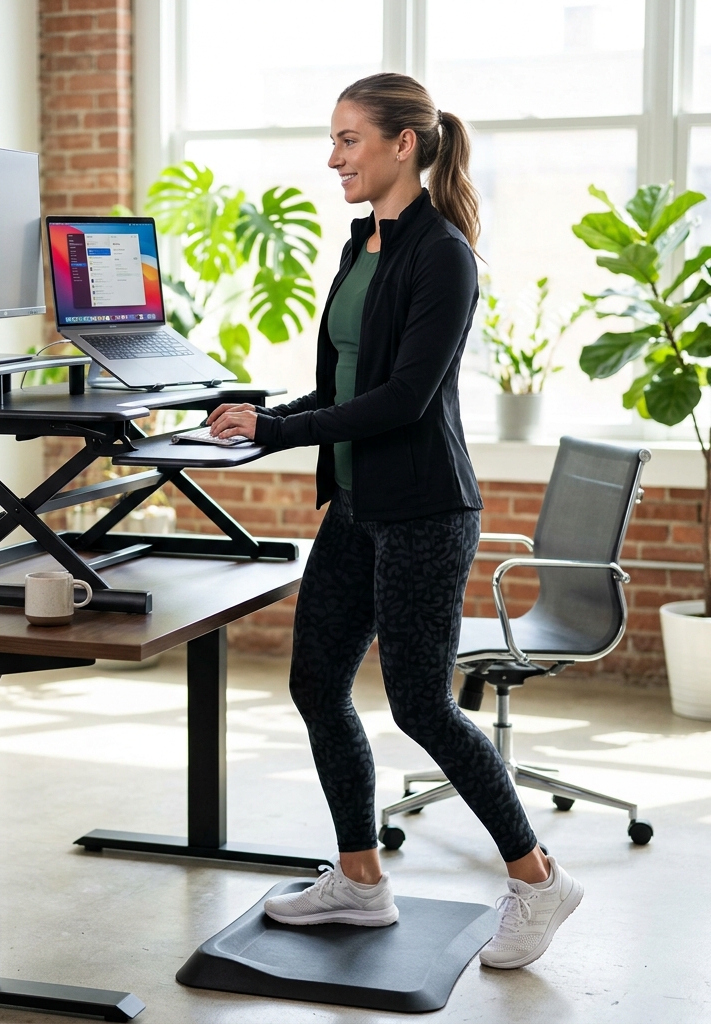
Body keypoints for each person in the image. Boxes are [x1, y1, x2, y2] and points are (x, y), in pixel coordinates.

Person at [207, 72, 582, 970]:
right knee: (316, 684)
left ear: (402, 145)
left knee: (418, 703)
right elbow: (345, 382)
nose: (332, 157)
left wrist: (283, 430)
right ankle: (360, 880)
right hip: (356, 508)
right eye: (333, 140)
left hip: (422, 510)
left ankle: (538, 880)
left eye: (348, 140)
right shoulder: (361, 243)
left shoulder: (440, 253)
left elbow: (405, 399)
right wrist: (253, 420)